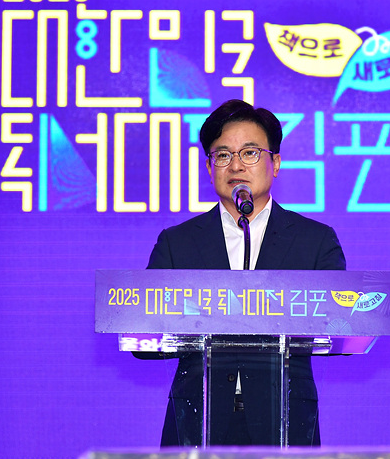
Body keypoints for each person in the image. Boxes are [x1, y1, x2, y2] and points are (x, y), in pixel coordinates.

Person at [145, 99, 346, 447]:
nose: (235, 164)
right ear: (209, 168)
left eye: (250, 153)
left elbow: (339, 322)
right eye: (222, 155)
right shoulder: (177, 242)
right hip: (198, 418)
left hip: (285, 418)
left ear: (275, 163)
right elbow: (146, 333)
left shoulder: (315, 241)